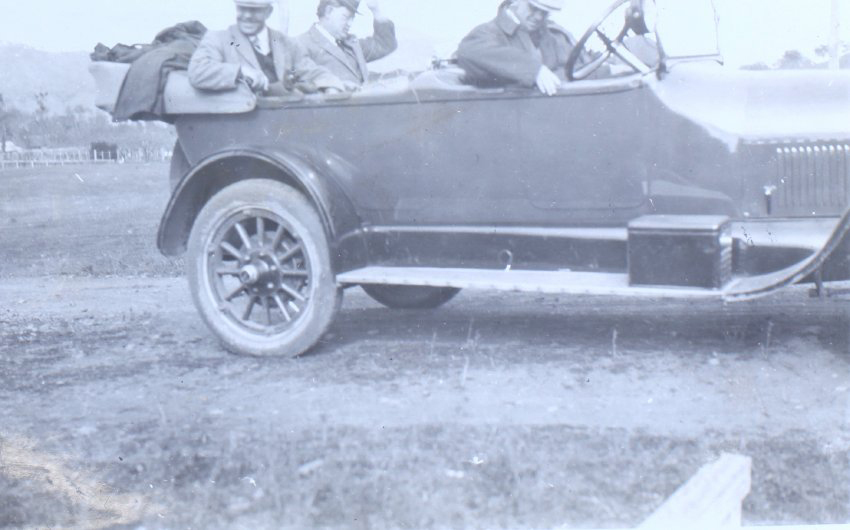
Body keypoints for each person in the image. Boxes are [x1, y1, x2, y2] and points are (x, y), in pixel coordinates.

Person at [188, 0, 344, 95]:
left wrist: (330, 85)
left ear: (268, 12)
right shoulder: (219, 39)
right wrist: (239, 71)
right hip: (242, 129)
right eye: (243, 8)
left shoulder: (286, 43)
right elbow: (198, 71)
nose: (247, 15)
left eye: (255, 10)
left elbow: (311, 71)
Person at [456, 0, 581, 96]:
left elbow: (576, 68)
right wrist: (534, 69)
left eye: (545, 12)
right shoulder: (488, 32)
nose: (539, 17)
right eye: (533, 8)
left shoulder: (552, 35)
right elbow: (468, 51)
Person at [298, 0, 398, 89]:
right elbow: (297, 86)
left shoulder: (351, 43)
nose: (350, 23)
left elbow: (385, 44)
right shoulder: (301, 44)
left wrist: (376, 11)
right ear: (329, 11)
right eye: (346, 17)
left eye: (352, 18)